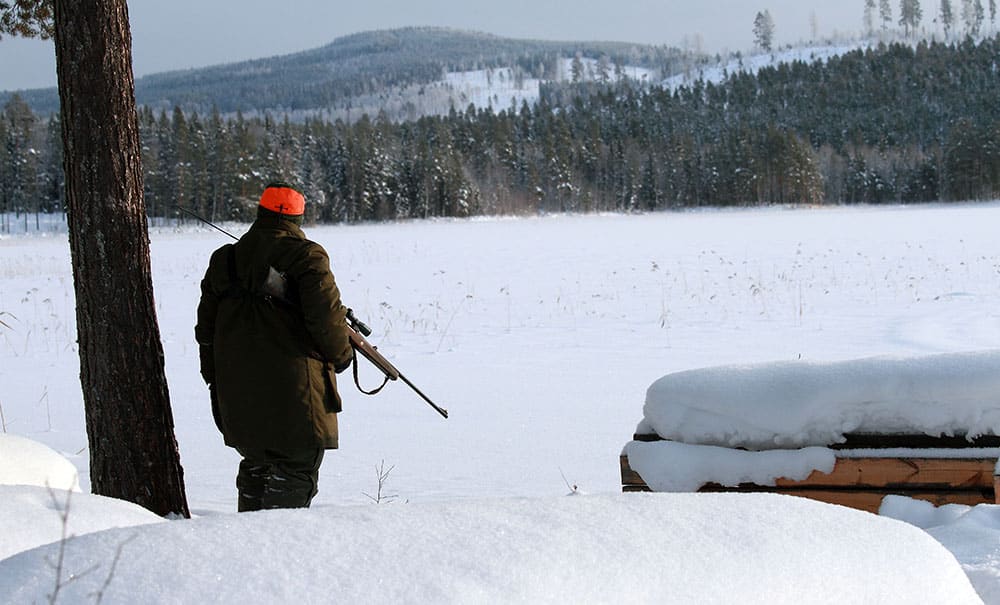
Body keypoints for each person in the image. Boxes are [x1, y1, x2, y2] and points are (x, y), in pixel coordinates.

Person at [195, 181, 354, 512]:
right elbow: (326, 323)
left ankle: (246, 548)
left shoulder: (225, 260)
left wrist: (215, 379)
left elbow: (205, 331)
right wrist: (342, 356)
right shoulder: (307, 256)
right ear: (297, 219)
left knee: (256, 467)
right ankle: (273, 555)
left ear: (261, 213)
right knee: (294, 474)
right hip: (295, 399)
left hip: (239, 399)